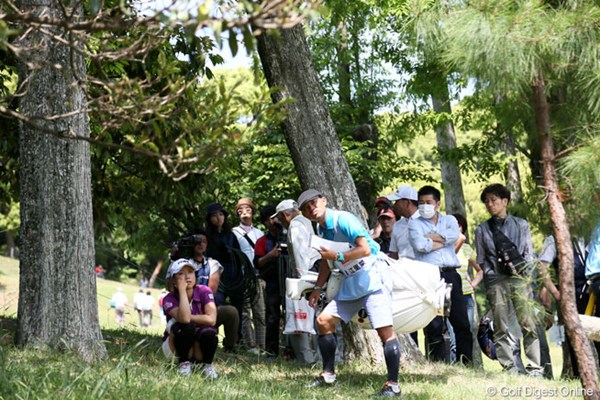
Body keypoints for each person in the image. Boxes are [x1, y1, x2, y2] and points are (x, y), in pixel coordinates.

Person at [299, 189, 402, 397]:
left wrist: (336, 254)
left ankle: (393, 385)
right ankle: (328, 375)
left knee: (384, 331)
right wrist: (318, 290)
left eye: (314, 202)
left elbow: (364, 249)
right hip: (351, 281)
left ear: (324, 200)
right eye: (306, 207)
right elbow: (328, 263)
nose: (312, 208)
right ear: (304, 214)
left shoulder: (343, 219)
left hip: (373, 275)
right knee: (323, 321)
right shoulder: (321, 231)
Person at [474, 183, 543, 376]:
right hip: (495, 281)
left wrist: (526, 278)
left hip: (520, 279)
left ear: (505, 201)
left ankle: (535, 368)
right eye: (486, 201)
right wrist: (490, 274)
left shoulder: (521, 225)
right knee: (500, 325)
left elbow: (529, 255)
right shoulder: (481, 230)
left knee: (528, 323)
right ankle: (509, 367)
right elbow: (480, 259)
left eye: (493, 200)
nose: (490, 204)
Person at [408, 185, 472, 365]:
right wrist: (444, 241)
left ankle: (466, 362)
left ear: (437, 204)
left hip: (451, 274)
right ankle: (438, 363)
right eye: (421, 203)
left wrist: (432, 237)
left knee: (461, 323)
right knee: (435, 324)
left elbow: (455, 237)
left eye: (428, 202)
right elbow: (420, 246)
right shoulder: (415, 223)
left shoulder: (450, 220)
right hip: (429, 275)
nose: (424, 206)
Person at [274, 199, 320, 364]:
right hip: (316, 271)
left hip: (308, 274)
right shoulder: (307, 222)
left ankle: (309, 359)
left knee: (305, 317)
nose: (280, 222)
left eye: (280, 218)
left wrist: (302, 279)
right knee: (315, 316)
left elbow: (301, 253)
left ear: (286, 215)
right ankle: (318, 357)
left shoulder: (296, 225)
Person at [161, 258, 219, 378]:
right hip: (175, 345)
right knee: (187, 326)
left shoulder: (204, 290)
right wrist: (182, 290)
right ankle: (183, 363)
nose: (187, 276)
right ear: (173, 280)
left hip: (196, 341)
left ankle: (207, 365)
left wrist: (193, 321)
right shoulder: (168, 298)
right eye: (181, 273)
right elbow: (185, 320)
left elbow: (212, 319)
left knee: (209, 333)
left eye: (191, 272)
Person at [187, 228, 240, 353]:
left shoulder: (212, 264)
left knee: (231, 311)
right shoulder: (183, 262)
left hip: (207, 310)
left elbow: (210, 291)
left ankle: (230, 347)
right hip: (186, 310)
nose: (201, 244)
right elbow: (172, 288)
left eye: (204, 241)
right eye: (197, 241)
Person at [204, 202, 245, 341]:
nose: (218, 218)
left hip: (233, 276)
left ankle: (235, 340)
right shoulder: (207, 236)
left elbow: (239, 256)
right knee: (215, 303)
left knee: (237, 306)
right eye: (214, 215)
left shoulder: (231, 235)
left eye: (221, 214)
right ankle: (211, 334)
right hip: (215, 275)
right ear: (209, 218)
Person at [231, 197, 266, 355]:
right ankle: (250, 344)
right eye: (241, 210)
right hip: (243, 277)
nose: (244, 212)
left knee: (260, 311)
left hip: (258, 276)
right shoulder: (234, 233)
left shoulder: (259, 233)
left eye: (248, 209)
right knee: (245, 312)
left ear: (253, 212)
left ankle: (262, 344)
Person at [254, 205, 286, 358]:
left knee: (291, 315)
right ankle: (272, 351)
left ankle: (290, 350)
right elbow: (257, 263)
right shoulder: (261, 241)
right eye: (269, 220)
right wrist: (271, 255)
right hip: (272, 282)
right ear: (265, 223)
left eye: (275, 217)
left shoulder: (288, 235)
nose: (273, 222)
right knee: (272, 317)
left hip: (288, 280)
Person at [386, 185, 420, 261]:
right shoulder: (397, 225)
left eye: (397, 201)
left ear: (407, 202)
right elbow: (394, 254)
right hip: (402, 270)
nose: (394, 205)